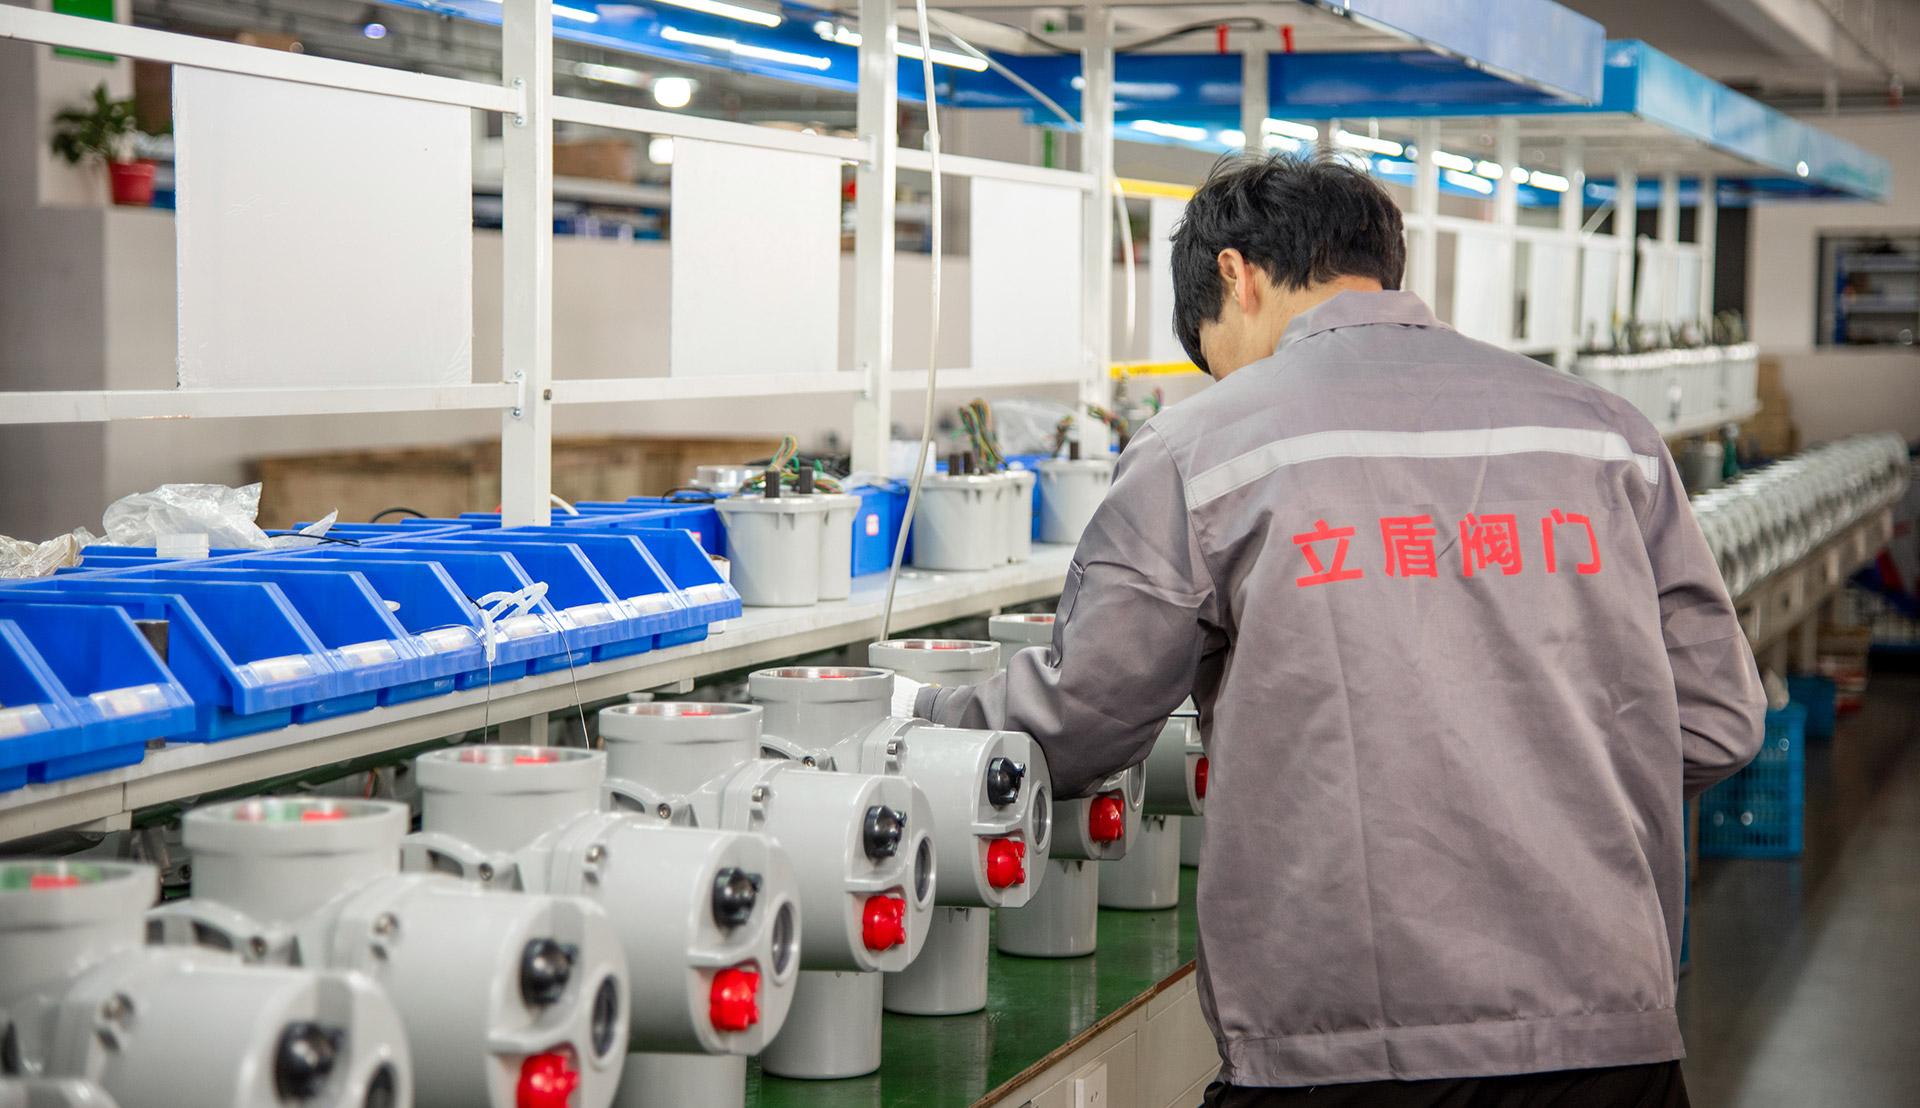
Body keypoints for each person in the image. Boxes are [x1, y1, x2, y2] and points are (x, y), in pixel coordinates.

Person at [901, 154, 1766, 1107]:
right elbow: (1719, 721)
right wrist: (1541, 773)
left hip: (1347, 1048)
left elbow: (1083, 716)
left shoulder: (1202, 448)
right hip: (1611, 1036)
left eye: (1212, 351)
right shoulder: (1607, 435)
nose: (1223, 379)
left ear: (1236, 275)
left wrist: (919, 718)